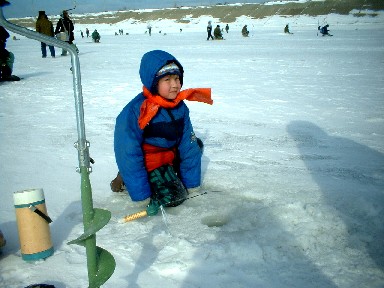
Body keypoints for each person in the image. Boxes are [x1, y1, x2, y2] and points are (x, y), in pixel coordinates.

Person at [111, 50, 213, 215]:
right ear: (153, 83)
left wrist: (193, 186)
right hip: (149, 163)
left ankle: (167, 175)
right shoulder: (137, 111)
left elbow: (188, 144)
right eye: (167, 80)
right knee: (174, 197)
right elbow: (127, 153)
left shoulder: (180, 107)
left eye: (177, 78)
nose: (175, 85)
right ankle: (125, 179)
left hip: (168, 158)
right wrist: (142, 196)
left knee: (196, 145)